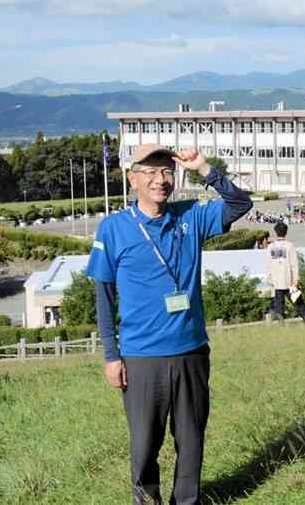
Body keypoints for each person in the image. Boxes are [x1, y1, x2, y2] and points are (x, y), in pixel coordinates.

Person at [86, 143, 252, 505]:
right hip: (142, 357)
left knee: (191, 440)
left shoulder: (190, 216)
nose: (159, 180)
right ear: (133, 180)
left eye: (166, 172)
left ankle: (186, 501)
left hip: (191, 351)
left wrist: (205, 168)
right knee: (145, 443)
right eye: (150, 172)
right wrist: (111, 356)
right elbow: (104, 295)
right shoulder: (113, 229)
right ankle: (147, 500)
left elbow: (240, 204)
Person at [266, 222, 305, 323]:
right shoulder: (290, 246)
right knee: (298, 301)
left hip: (276, 281)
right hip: (289, 281)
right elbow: (294, 265)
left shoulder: (270, 247)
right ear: (286, 232)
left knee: (279, 305)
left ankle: (281, 323)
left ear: (276, 232)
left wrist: (270, 279)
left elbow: (268, 265)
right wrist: (295, 280)